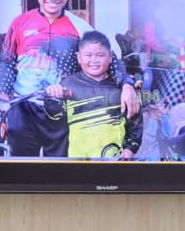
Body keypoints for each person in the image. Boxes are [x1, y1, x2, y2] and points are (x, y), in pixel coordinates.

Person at [0, 0, 139, 157]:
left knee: (59, 166)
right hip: (23, 106)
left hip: (62, 106)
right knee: (23, 164)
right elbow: (7, 62)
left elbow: (108, 57)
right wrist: (3, 92)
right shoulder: (19, 23)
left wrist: (127, 85)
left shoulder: (79, 26)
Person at [55, 31, 143, 159]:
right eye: (88, 55)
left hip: (114, 161)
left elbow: (136, 124)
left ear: (111, 57)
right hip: (76, 162)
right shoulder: (67, 85)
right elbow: (54, 123)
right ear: (79, 57)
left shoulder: (123, 88)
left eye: (100, 55)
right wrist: (52, 98)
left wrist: (129, 150)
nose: (94, 60)